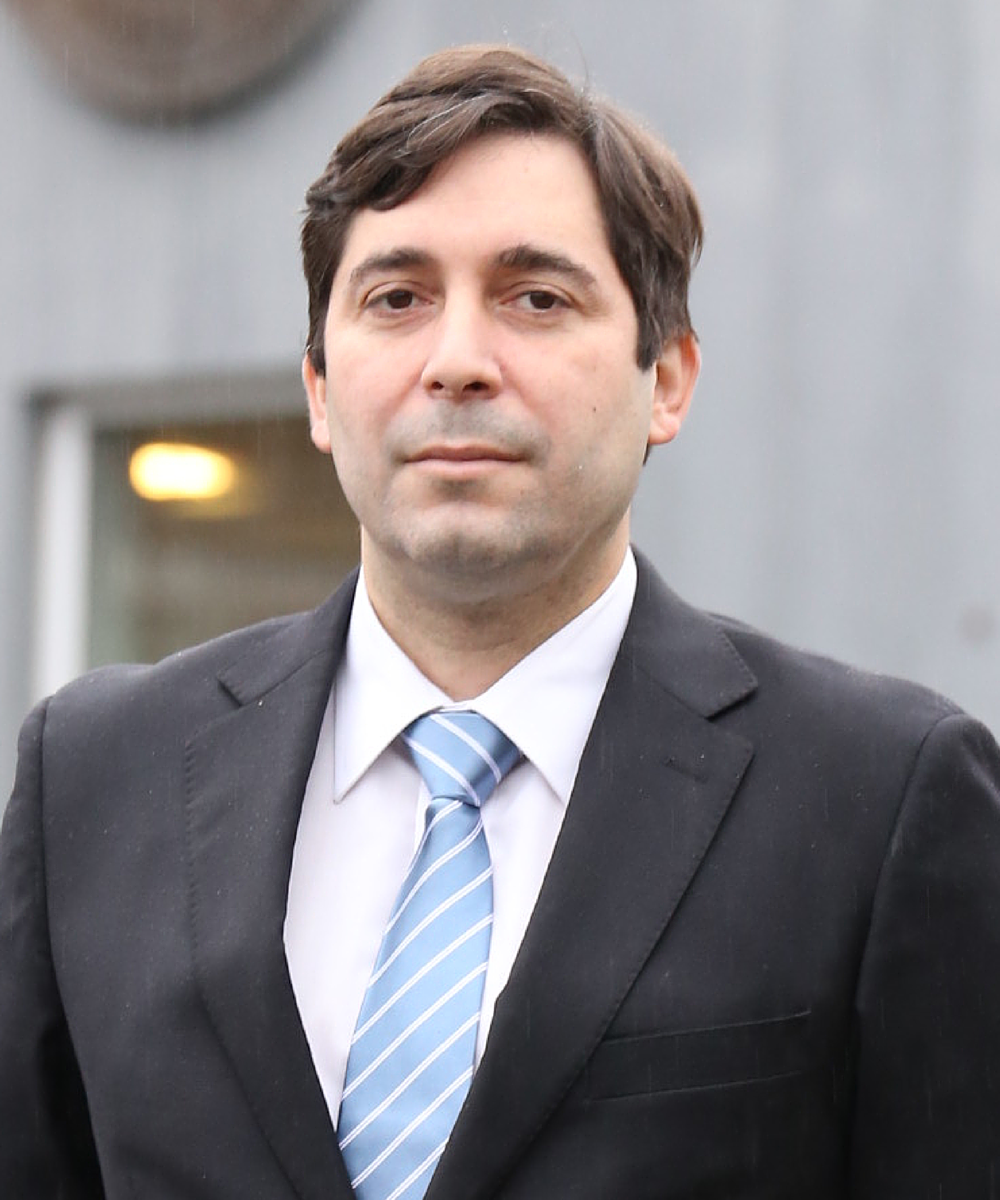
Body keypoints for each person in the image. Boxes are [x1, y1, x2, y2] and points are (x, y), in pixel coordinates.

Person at [1, 43, 998, 1200]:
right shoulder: (96, 780)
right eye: (396, 299)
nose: (458, 363)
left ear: (668, 379)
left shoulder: (881, 799)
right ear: (319, 388)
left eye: (536, 298)